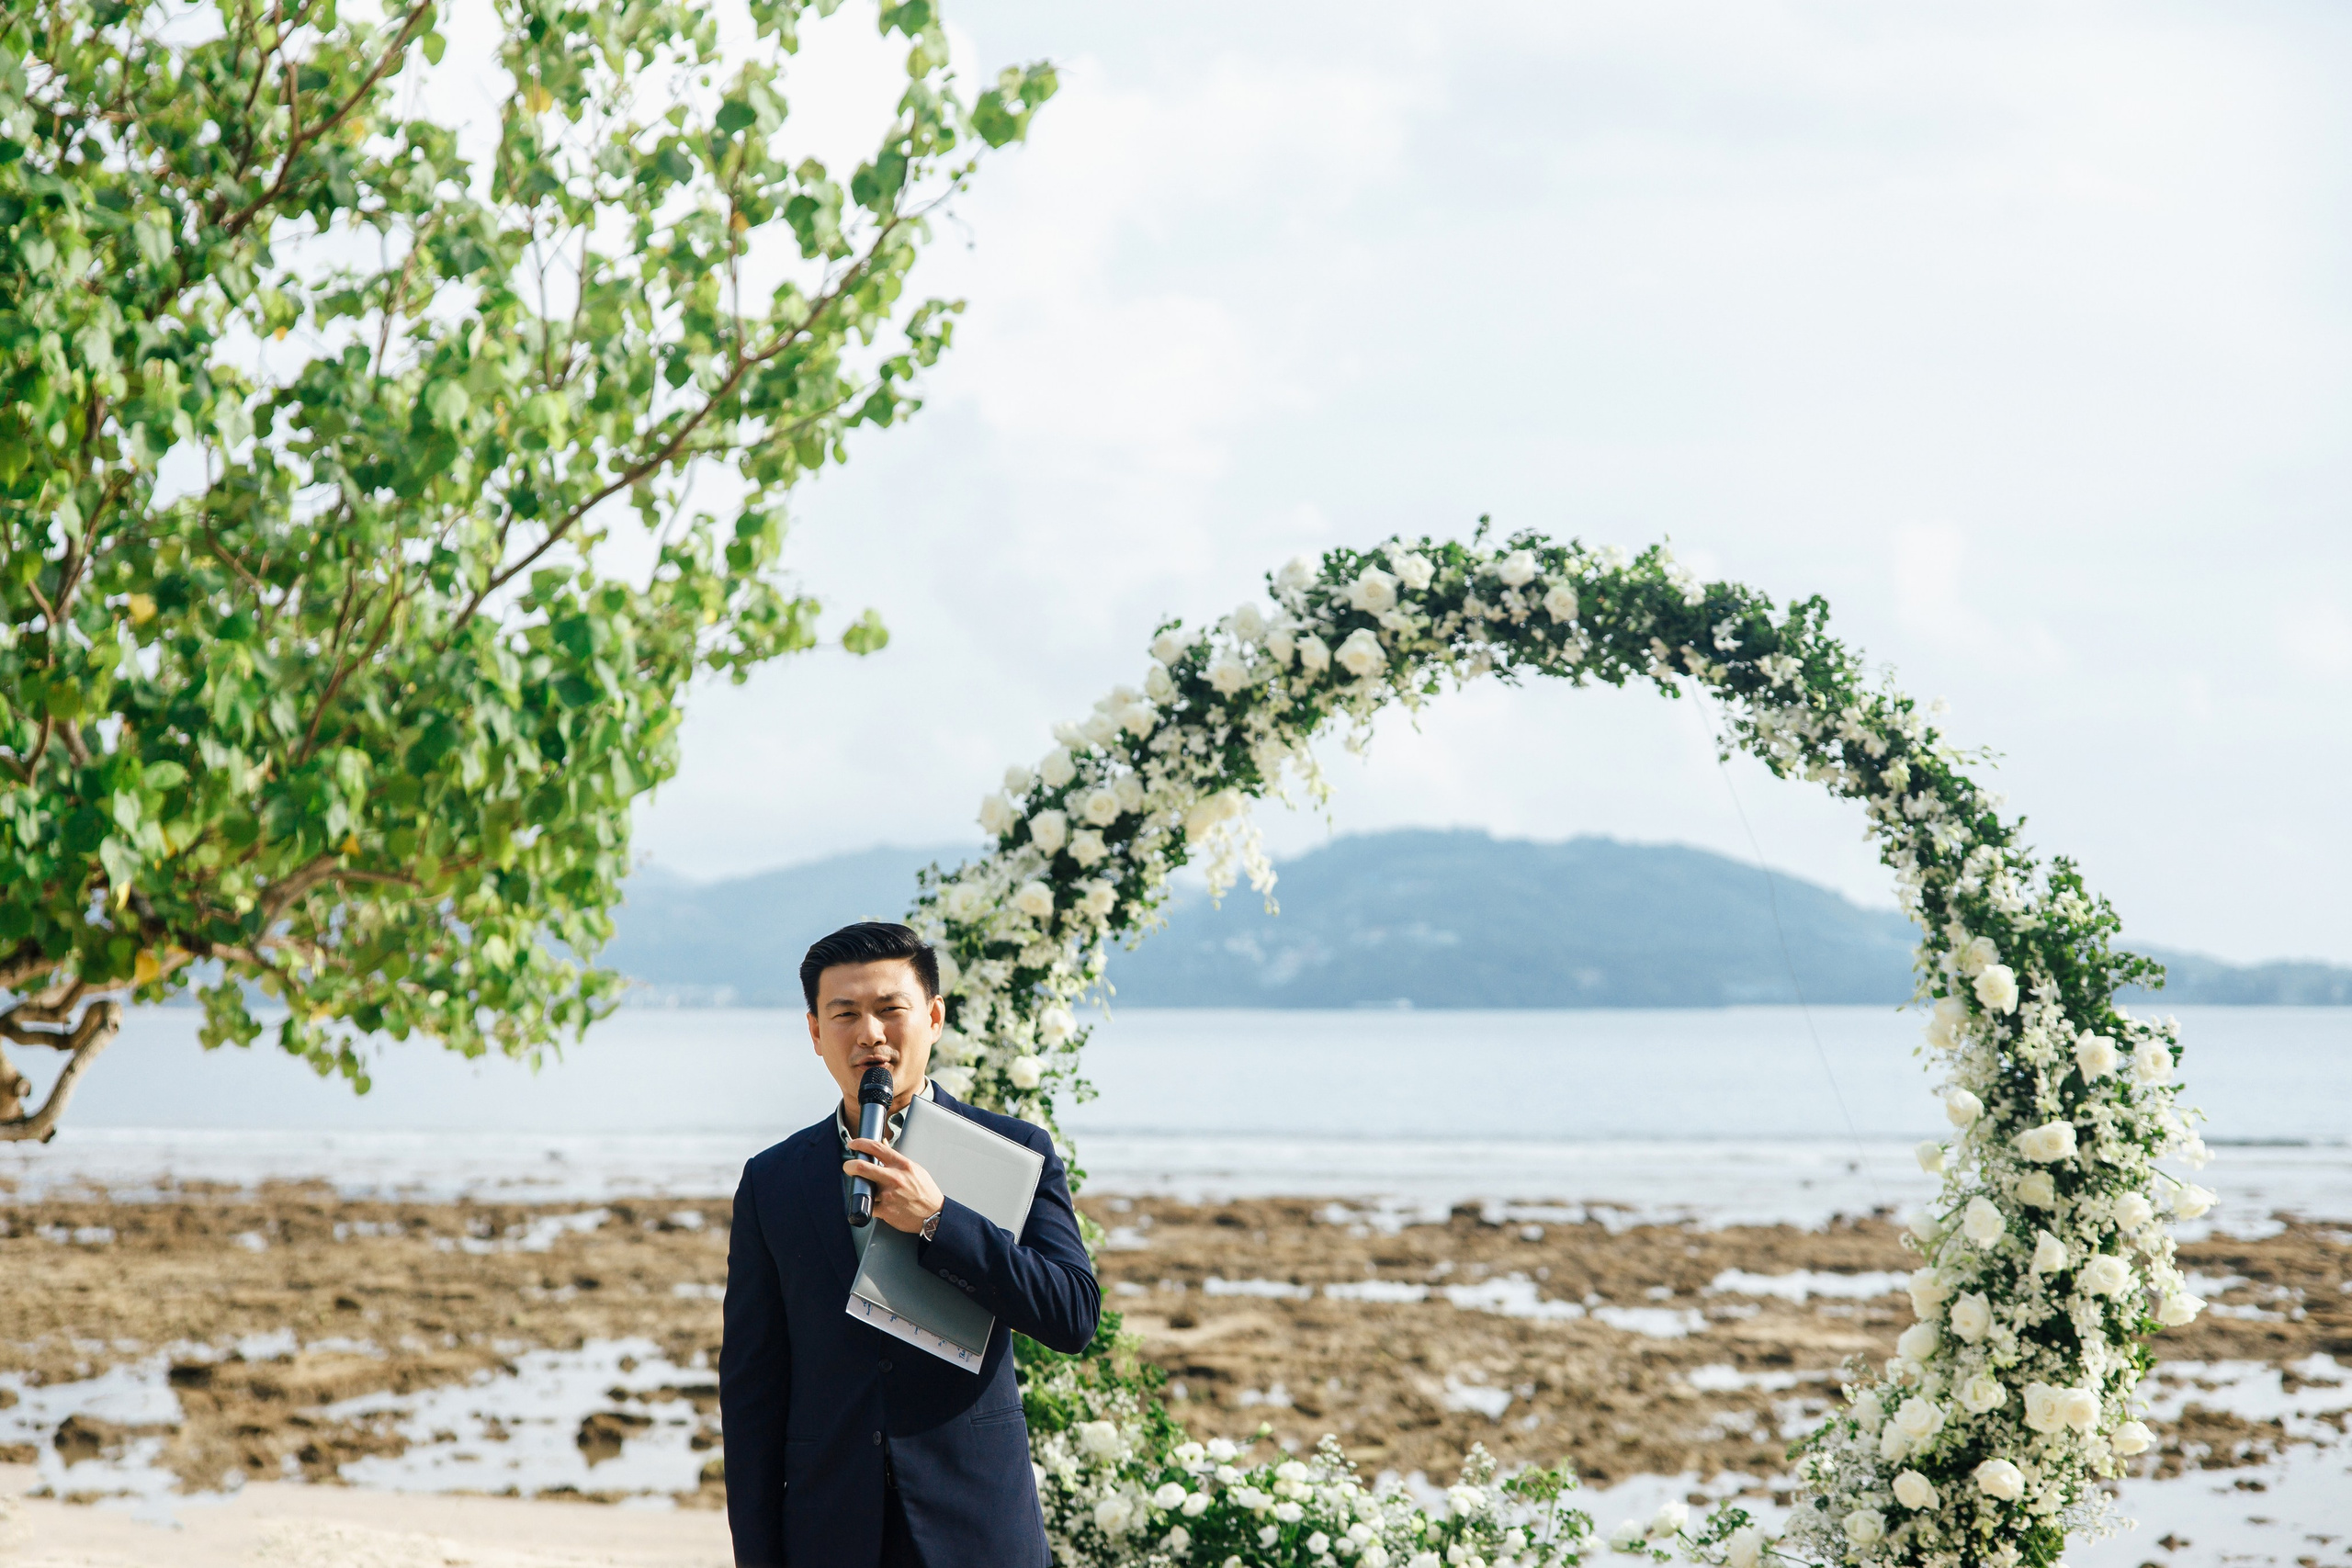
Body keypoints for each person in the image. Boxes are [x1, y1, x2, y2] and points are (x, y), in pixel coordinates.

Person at [719, 921, 1099, 1568]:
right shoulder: (772, 1179)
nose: (870, 1032)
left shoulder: (1015, 1151)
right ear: (815, 1032)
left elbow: (1072, 1314)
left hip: (975, 1527)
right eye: (845, 1013)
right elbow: (752, 1387)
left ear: (934, 1017)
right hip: (829, 1532)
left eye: (891, 1009)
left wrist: (940, 1220)